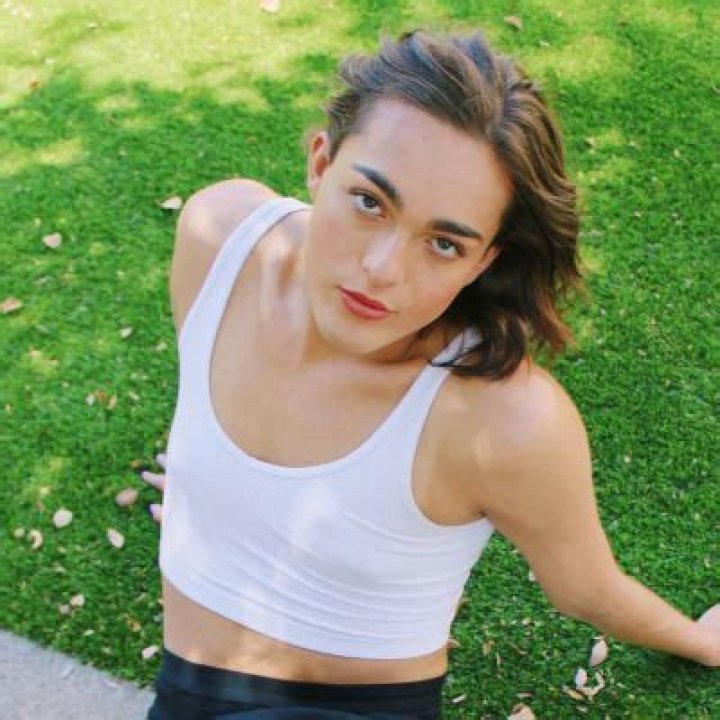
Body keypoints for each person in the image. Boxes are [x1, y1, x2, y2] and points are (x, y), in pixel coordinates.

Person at [141, 27, 720, 719]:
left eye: (444, 243)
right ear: (322, 162)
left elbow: (586, 588)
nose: (381, 269)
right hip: (184, 685)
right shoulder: (219, 239)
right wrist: (221, 496)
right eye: (369, 202)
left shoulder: (503, 419)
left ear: (483, 261)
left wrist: (700, 642)